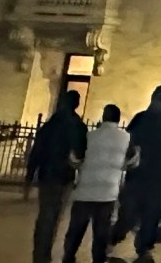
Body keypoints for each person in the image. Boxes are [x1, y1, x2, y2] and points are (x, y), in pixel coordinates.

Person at [28, 90, 90, 263]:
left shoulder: (51, 124)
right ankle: (45, 252)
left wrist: (31, 171)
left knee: (45, 215)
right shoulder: (78, 126)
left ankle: (40, 254)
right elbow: (81, 152)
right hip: (65, 175)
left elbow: (38, 148)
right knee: (55, 215)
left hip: (47, 174)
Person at [67, 103, 132, 263]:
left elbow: (75, 159)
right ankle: (98, 260)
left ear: (104, 117)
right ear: (118, 119)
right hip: (107, 193)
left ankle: (68, 258)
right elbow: (131, 161)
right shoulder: (126, 138)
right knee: (101, 235)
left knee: (75, 232)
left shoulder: (91, 136)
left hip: (85, 191)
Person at [125, 85, 161, 260]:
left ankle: (143, 247)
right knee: (138, 212)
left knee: (145, 213)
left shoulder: (145, 119)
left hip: (149, 173)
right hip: (146, 172)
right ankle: (140, 245)